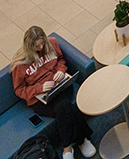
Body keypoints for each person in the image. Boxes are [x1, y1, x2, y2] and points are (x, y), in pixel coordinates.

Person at [11, 27, 95, 159]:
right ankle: (82, 139)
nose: (41, 47)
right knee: (66, 109)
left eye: (42, 43)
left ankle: (67, 148)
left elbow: (61, 60)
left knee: (62, 107)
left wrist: (61, 71)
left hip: (60, 86)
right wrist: (39, 88)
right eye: (36, 46)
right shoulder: (19, 64)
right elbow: (19, 90)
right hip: (40, 98)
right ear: (29, 46)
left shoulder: (51, 43)